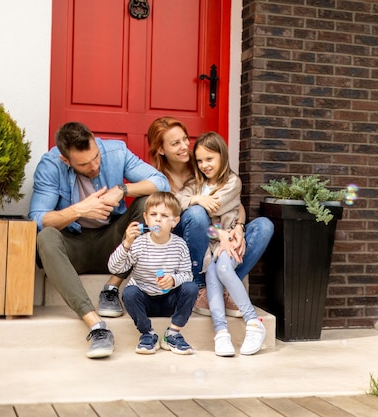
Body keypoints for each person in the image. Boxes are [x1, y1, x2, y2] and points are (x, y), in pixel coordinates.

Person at [28, 121, 170, 359]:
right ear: (66, 160)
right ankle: (96, 326)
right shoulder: (51, 165)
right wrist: (79, 210)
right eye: (84, 164)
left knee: (150, 204)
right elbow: (38, 219)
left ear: (94, 140)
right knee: (46, 237)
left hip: (114, 243)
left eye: (95, 157)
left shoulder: (115, 151)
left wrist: (123, 190)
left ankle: (112, 287)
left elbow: (161, 183)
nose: (94, 166)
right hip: (75, 246)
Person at [146, 116, 274, 317]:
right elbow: (196, 212)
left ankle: (226, 287)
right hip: (187, 238)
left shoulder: (200, 169)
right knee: (197, 213)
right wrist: (197, 200)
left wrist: (239, 227)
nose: (184, 146)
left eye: (185, 139)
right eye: (175, 143)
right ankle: (198, 286)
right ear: (161, 149)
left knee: (264, 226)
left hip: (222, 235)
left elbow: (232, 205)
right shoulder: (161, 180)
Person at [178, 131, 266, 356]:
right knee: (212, 276)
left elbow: (214, 209)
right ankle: (222, 334)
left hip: (226, 241)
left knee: (223, 269)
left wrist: (236, 228)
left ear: (222, 156)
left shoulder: (232, 182)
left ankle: (253, 323)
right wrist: (196, 198)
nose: (204, 165)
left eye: (209, 159)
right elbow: (176, 201)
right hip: (212, 245)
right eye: (199, 160)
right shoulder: (195, 184)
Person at [108, 192, 197, 355]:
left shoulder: (180, 245)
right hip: (144, 302)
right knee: (129, 292)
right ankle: (147, 333)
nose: (158, 219)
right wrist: (127, 243)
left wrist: (173, 280)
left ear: (174, 221)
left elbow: (187, 275)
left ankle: (173, 333)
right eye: (153, 215)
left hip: (169, 300)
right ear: (146, 219)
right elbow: (115, 268)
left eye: (164, 215)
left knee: (191, 288)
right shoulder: (139, 243)